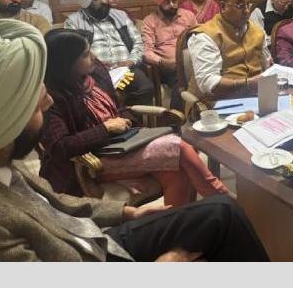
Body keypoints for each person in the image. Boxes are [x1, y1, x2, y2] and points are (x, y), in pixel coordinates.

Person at [0, 19, 269, 261]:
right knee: (183, 156)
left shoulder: (12, 170)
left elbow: (58, 203)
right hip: (90, 239)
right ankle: (220, 198)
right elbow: (59, 147)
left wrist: (127, 213)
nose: (47, 102)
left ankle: (214, 206)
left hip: (95, 234)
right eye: (36, 104)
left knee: (219, 209)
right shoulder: (3, 223)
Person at [39, 28, 227, 205]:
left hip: (122, 144)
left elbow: (118, 108)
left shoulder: (96, 73)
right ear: (65, 63)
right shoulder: (51, 97)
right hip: (92, 160)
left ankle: (179, 223)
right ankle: (221, 198)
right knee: (180, 147)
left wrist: (129, 123)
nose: (94, 57)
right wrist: (105, 129)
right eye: (85, 55)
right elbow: (60, 147)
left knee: (177, 172)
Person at [64, 0, 153, 106]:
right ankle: (116, 116)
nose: (103, 1)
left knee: (145, 88)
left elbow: (138, 43)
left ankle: (129, 117)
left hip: (126, 69)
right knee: (107, 96)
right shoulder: (74, 22)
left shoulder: (121, 16)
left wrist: (130, 61)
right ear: (86, 1)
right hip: (95, 73)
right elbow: (75, 53)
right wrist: (98, 66)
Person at [185, 0, 269, 110]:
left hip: (256, 97)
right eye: (240, 5)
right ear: (223, 6)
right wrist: (248, 83)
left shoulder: (257, 30)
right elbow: (208, 82)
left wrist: (269, 67)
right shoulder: (205, 35)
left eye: (248, 5)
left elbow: (266, 64)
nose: (247, 11)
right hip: (216, 102)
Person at [142, 0, 197, 110]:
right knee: (181, 78)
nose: (172, 5)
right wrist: (164, 62)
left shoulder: (188, 16)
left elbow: (199, 38)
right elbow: (147, 52)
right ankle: (175, 118)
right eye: (167, 2)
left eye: (174, 1)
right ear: (159, 3)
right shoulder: (149, 21)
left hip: (192, 60)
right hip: (167, 66)